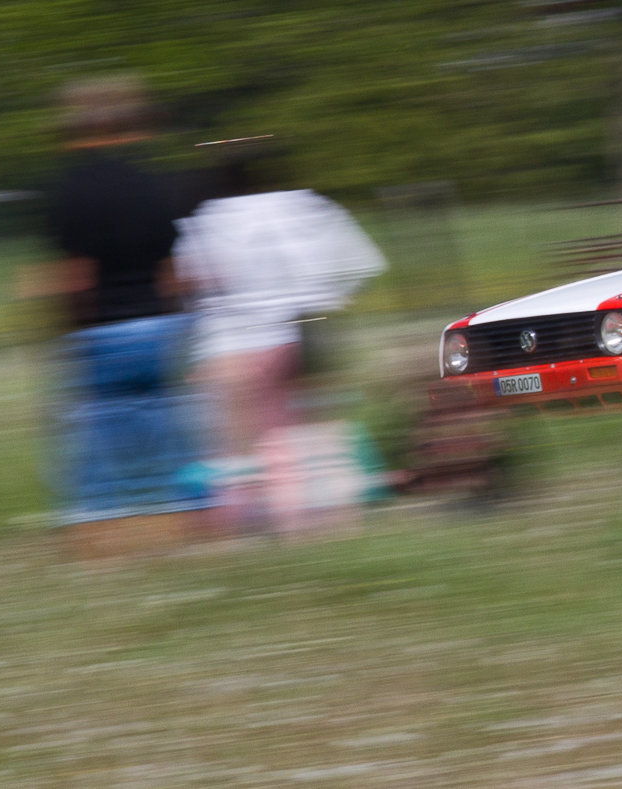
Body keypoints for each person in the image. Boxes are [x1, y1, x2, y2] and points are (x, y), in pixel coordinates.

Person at [173, 142, 384, 533]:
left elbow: (191, 282)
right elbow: (362, 263)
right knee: (312, 434)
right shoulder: (311, 206)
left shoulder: (212, 216)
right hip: (307, 333)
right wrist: (327, 298)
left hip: (235, 341)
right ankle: (332, 517)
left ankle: (247, 523)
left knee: (239, 443)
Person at [44, 77, 199, 521]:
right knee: (173, 428)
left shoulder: (70, 189)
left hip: (103, 328)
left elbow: (76, 276)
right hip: (157, 323)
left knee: (95, 435)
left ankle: (100, 521)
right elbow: (172, 272)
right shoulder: (153, 182)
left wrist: (69, 332)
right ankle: (191, 511)